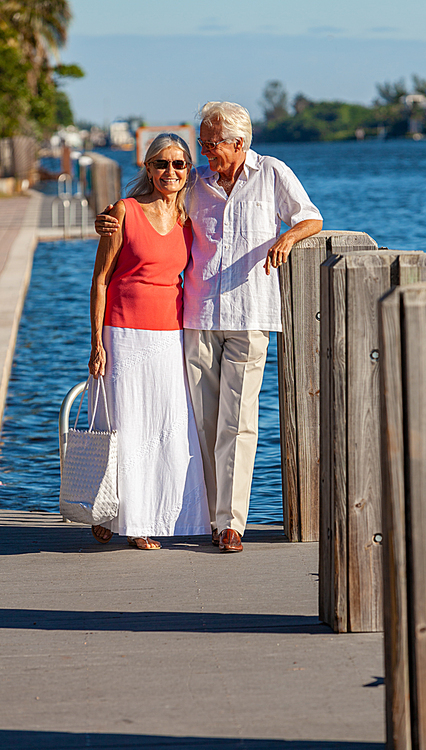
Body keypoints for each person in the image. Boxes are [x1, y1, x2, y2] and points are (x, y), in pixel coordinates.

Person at [96, 102, 323, 553]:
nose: (201, 152)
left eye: (208, 144)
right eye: (199, 143)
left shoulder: (272, 173)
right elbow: (150, 211)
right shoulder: (195, 182)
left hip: (251, 314)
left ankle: (230, 523)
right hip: (195, 316)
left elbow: (310, 217)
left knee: (238, 424)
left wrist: (288, 238)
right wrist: (108, 220)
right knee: (198, 423)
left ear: (238, 143)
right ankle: (198, 515)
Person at [89, 133, 210, 550]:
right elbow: (101, 279)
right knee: (124, 426)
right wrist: (96, 343)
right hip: (122, 334)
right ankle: (116, 515)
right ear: (147, 168)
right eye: (161, 164)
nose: (170, 172)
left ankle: (156, 515)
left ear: (188, 171)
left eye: (179, 165)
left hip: (169, 337)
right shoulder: (124, 212)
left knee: (166, 429)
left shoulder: (187, 221)